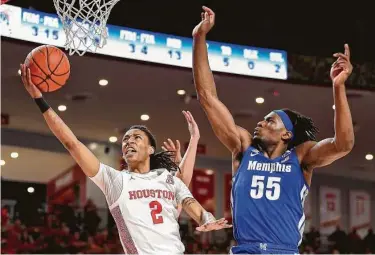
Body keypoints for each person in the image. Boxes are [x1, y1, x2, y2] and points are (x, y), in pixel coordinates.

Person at [19, 64, 231, 254]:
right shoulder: (115, 180)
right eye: (125, 140)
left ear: (150, 149)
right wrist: (39, 100)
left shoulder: (168, 180)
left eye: (136, 138)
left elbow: (188, 199)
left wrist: (206, 218)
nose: (128, 142)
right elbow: (72, 143)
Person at [192, 6, 354, 254]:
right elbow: (207, 98)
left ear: (287, 134)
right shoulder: (243, 147)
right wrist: (199, 38)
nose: (260, 123)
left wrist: (338, 88)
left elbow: (343, 144)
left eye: (270, 121)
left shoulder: (301, 157)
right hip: (245, 249)